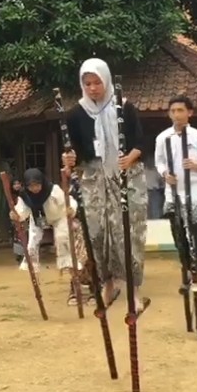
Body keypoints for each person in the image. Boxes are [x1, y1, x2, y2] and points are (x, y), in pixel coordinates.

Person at [60, 58, 148, 310]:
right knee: (97, 234)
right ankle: (107, 284)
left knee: (128, 234)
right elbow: (73, 153)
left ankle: (134, 290)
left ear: (106, 80)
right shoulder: (76, 114)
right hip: (94, 180)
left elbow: (141, 142)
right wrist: (68, 159)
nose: (92, 88)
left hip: (125, 177)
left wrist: (130, 157)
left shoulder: (125, 107)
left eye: (97, 82)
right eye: (87, 83)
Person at [154, 95, 197, 287]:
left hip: (195, 190)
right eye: (173, 111)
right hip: (173, 192)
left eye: (180, 110)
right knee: (178, 232)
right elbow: (159, 161)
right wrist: (164, 174)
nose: (176, 115)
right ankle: (186, 268)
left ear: (190, 113)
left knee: (196, 233)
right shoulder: (163, 137)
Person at [9, 169, 77, 293]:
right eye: (31, 186)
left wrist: (71, 209)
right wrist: (16, 215)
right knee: (31, 247)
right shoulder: (25, 195)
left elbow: (68, 201)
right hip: (37, 220)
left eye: (37, 185)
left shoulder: (53, 189)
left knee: (62, 237)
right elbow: (22, 210)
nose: (35, 188)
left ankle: (66, 265)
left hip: (57, 217)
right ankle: (34, 273)